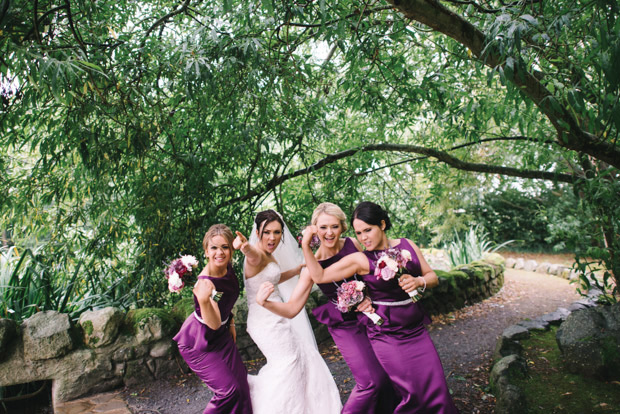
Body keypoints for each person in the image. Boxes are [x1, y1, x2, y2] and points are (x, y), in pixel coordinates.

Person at [301, 202, 459, 414]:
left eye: (368, 230)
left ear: (382, 224)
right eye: (359, 233)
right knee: (411, 393)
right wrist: (305, 247)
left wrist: (419, 281)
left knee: (437, 387)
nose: (364, 238)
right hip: (387, 333)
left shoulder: (407, 245)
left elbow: (432, 277)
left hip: (415, 329)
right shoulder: (360, 258)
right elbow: (319, 276)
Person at [255, 202, 397, 413]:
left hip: (372, 317)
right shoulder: (312, 264)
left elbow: (373, 274)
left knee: (388, 374)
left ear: (342, 227)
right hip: (344, 326)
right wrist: (265, 303)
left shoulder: (353, 244)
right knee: (370, 382)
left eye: (334, 226)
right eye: (323, 227)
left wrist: (368, 295)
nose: (329, 233)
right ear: (314, 230)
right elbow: (292, 308)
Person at [235, 209, 342, 414]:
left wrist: (294, 271)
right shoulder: (256, 254)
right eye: (267, 232)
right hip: (265, 321)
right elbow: (251, 255)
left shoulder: (268, 254)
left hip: (277, 314)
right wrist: (244, 247)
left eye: (277, 232)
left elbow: (272, 277)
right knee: (288, 364)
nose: (272, 237)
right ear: (257, 233)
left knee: (297, 361)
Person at [173, 224, 252, 414]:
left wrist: (231, 321)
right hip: (199, 342)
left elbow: (226, 302)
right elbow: (214, 323)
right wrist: (203, 299)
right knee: (228, 392)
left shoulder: (227, 267)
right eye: (214, 248)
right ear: (206, 252)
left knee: (242, 387)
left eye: (224, 247)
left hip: (221, 335)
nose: (220, 252)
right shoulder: (206, 283)